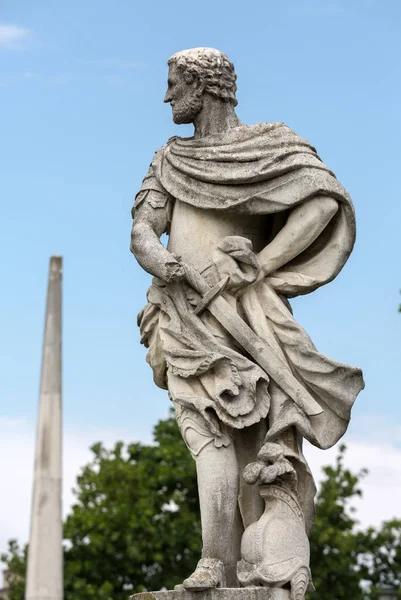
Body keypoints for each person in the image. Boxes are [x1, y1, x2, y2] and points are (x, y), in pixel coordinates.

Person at [130, 47, 364, 591]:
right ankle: (215, 562)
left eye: (173, 84)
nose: (166, 97)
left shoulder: (269, 145)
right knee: (206, 437)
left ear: (203, 86)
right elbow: (144, 228)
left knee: (261, 449)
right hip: (185, 316)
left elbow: (323, 204)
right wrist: (165, 262)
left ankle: (260, 566)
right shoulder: (168, 160)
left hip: (250, 323)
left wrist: (263, 264)